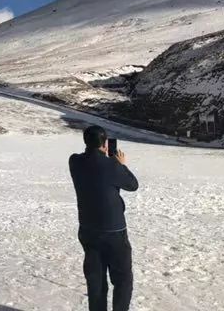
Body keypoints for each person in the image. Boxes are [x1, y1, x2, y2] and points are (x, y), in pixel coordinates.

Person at [69, 125, 139, 311]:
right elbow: (132, 185)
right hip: (114, 231)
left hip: (87, 230)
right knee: (123, 279)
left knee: (96, 280)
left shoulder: (74, 162)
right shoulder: (112, 166)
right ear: (105, 143)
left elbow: (91, 163)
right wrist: (121, 164)